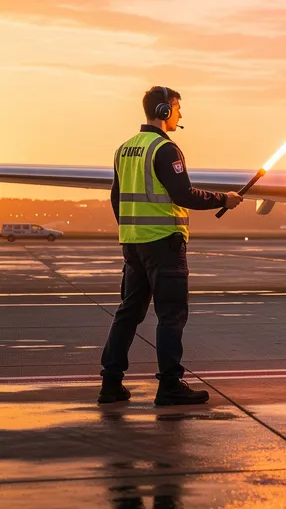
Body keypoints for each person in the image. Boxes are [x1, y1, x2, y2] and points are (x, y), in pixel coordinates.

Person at [98, 87, 243, 406]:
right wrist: (224, 200)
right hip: (164, 245)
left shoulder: (126, 148)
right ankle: (170, 385)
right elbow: (184, 195)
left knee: (128, 312)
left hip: (134, 246)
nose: (180, 115)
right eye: (178, 109)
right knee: (171, 315)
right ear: (164, 111)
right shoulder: (165, 149)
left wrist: (130, 231)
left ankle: (110, 383)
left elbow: (116, 197)